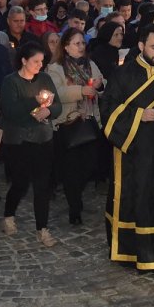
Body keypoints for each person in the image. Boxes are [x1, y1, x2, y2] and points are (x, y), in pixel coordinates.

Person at [100, 24, 154, 275]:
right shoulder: (122, 75)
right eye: (153, 47)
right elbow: (108, 110)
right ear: (141, 46)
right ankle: (130, 253)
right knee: (133, 199)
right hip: (132, 150)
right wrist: (140, 115)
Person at [0, 41, 62, 246]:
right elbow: (10, 111)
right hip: (19, 142)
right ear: (24, 61)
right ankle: (9, 215)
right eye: (36, 61)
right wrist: (35, 102)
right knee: (20, 183)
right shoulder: (11, 82)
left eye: (42, 61)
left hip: (43, 139)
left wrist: (49, 110)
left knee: (43, 185)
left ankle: (42, 229)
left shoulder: (44, 78)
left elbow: (57, 105)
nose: (40, 65)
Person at [47, 28, 105, 226]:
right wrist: (81, 90)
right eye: (76, 43)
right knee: (71, 169)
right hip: (68, 122)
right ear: (66, 46)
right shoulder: (55, 68)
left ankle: (77, 193)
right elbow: (57, 92)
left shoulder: (90, 64)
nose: (81, 47)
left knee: (89, 164)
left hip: (89, 119)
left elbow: (102, 83)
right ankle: (74, 207)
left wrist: (99, 85)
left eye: (82, 43)